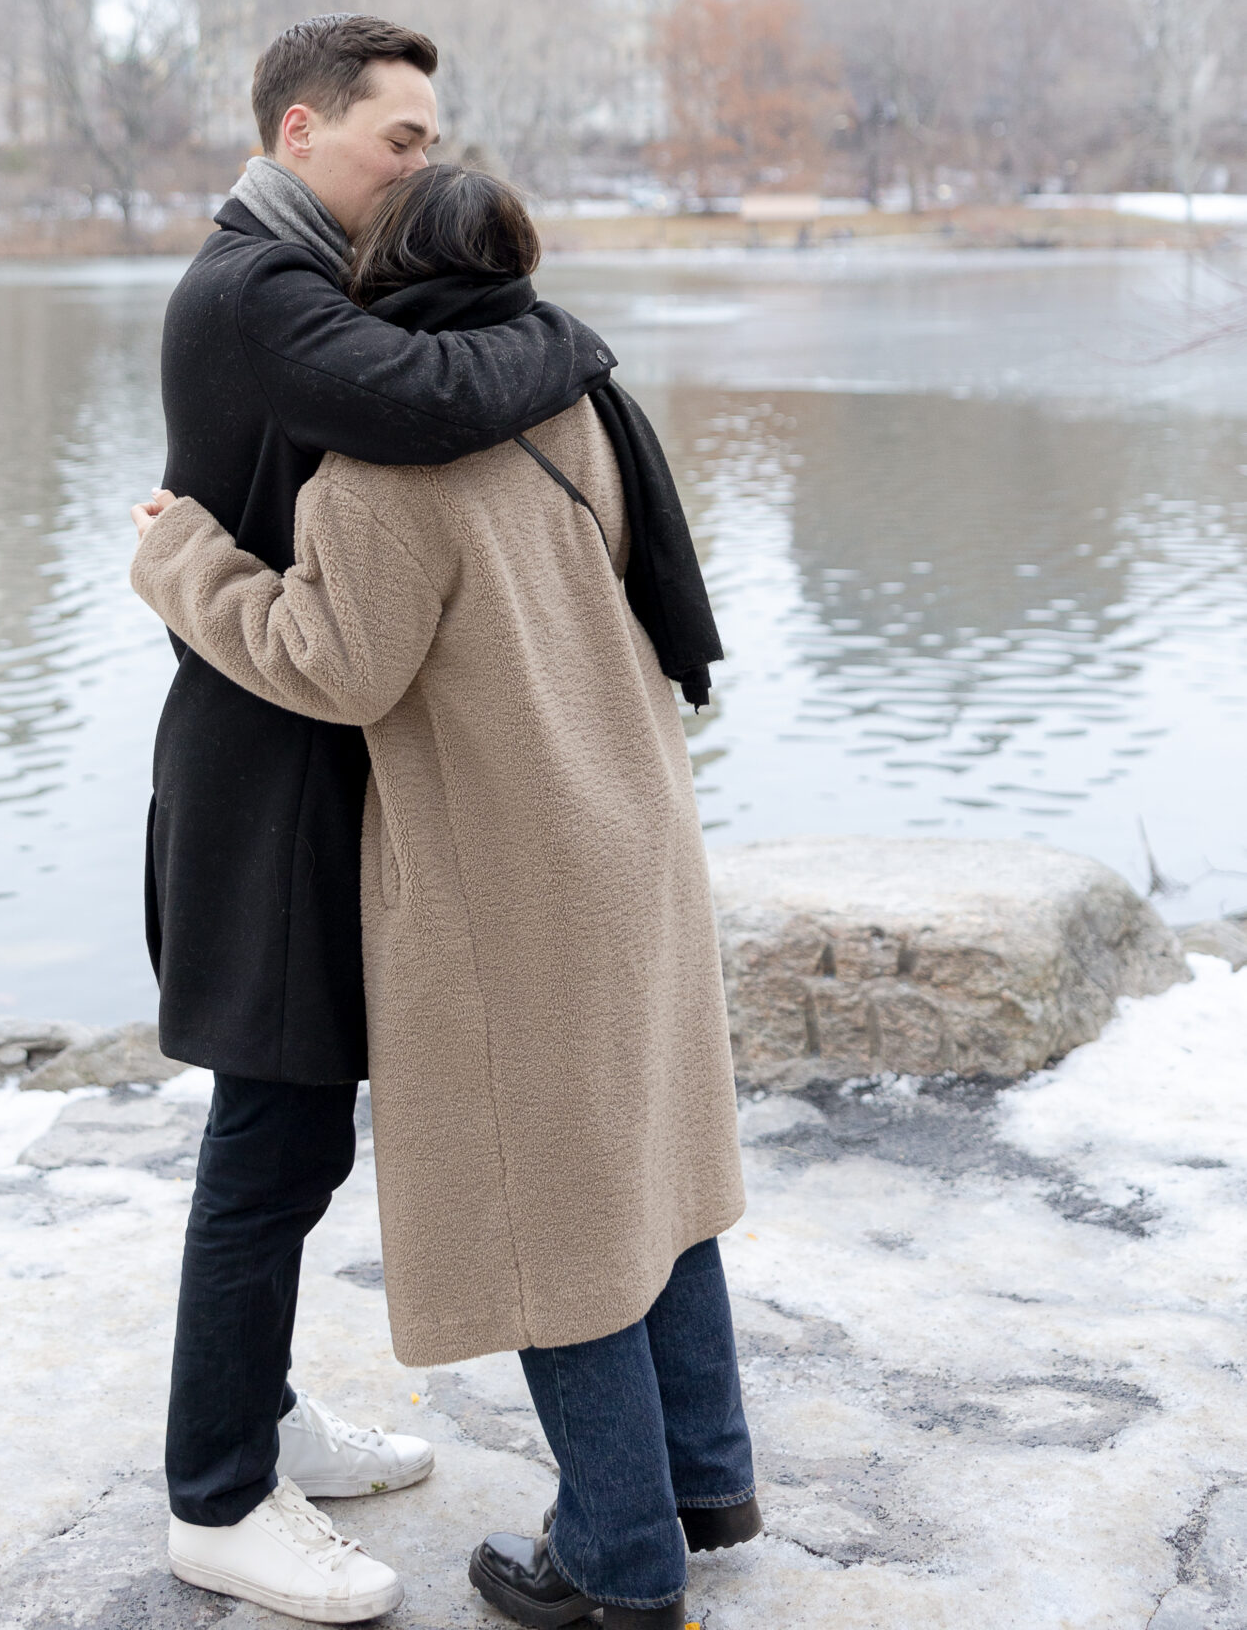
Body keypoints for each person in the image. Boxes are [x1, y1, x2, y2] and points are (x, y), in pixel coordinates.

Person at [132, 162, 760, 1630]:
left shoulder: (384, 479)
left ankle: (618, 1560)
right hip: (632, 827)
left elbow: (327, 666)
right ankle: (707, 1477)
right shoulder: (577, 407)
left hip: (511, 874)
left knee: (555, 1227)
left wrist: (184, 559)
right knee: (656, 1176)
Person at [145, 18, 617, 1622]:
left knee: (302, 1139)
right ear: (298, 131)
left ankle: (262, 1419)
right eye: (397, 138)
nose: (425, 161)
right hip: (267, 773)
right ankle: (215, 1496)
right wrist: (578, 339)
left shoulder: (312, 273)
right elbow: (429, 397)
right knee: (268, 1147)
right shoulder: (252, 290)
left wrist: (553, 337)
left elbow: (443, 381)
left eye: (432, 137)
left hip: (328, 754)